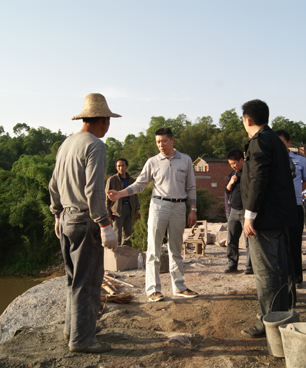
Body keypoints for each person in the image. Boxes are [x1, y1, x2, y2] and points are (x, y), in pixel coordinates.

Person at [49, 93, 120, 354]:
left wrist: (57, 214)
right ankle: (82, 340)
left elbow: (53, 184)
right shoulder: (94, 146)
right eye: (108, 120)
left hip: (66, 219)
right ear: (102, 120)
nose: (108, 125)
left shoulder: (67, 143)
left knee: (72, 279)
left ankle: (74, 328)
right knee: (88, 280)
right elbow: (94, 191)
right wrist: (104, 224)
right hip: (84, 221)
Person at [107, 127, 199, 302]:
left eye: (164, 141)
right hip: (159, 205)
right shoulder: (153, 162)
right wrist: (120, 194)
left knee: (176, 249)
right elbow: (139, 185)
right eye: (158, 142)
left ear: (172, 140)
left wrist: (193, 209)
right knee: (153, 249)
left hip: (179, 207)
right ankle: (153, 290)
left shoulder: (185, 160)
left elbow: (191, 187)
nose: (161, 145)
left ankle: (179, 286)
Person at [240, 100, 298, 338]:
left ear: (247, 120)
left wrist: (250, 215)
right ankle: (283, 315)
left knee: (265, 273)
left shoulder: (259, 141)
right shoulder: (275, 139)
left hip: (264, 219)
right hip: (280, 217)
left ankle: (269, 322)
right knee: (280, 270)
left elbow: (258, 178)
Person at [275, 129, 306, 288]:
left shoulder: (300, 160)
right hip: (277, 208)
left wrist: (293, 193)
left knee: (294, 243)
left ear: (289, 143)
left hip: (295, 206)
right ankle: (283, 278)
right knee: (278, 245)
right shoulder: (271, 159)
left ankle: (297, 277)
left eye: (282, 142)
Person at [224, 149, 253, 274]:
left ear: (242, 160)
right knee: (231, 240)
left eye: (234, 163)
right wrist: (231, 182)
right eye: (231, 164)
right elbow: (227, 190)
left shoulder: (250, 172)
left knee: (249, 242)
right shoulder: (233, 173)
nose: (233, 166)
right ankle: (232, 264)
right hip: (233, 211)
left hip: (246, 212)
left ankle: (249, 266)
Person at [105, 158, 141, 247]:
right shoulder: (112, 180)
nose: (121, 168)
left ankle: (127, 253)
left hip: (129, 207)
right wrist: (108, 212)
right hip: (117, 209)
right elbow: (107, 197)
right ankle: (115, 253)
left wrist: (137, 209)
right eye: (119, 166)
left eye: (123, 165)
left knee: (128, 233)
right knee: (116, 233)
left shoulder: (132, 180)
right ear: (116, 167)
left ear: (127, 166)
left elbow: (135, 196)